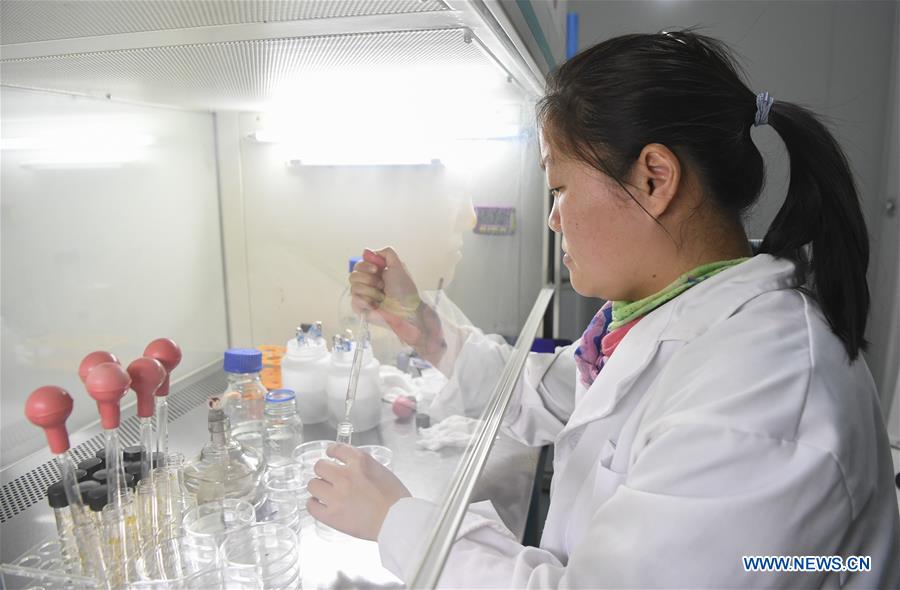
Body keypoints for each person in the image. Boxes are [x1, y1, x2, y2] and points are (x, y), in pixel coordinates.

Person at [305, 31, 900, 588]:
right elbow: (556, 395)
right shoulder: (674, 316)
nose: (553, 218)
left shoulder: (764, 395)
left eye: (559, 188)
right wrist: (423, 329)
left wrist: (399, 522)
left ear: (654, 179)